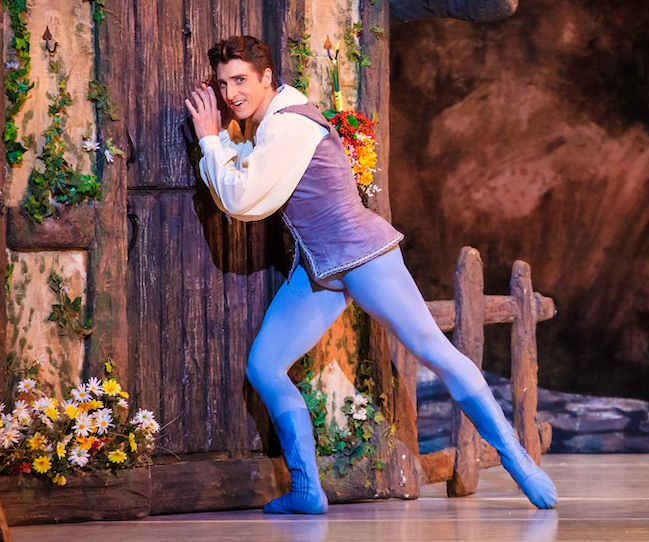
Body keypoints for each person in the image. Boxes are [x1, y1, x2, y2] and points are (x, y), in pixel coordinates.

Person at [185, 35, 557, 514]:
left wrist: (210, 139)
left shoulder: (288, 126)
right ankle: (305, 488)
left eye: (241, 80)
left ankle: (518, 461)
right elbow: (248, 183)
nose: (231, 92)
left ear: (266, 79)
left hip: (362, 258)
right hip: (320, 268)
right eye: (223, 83)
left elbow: (241, 200)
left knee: (432, 349)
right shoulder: (271, 123)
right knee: (264, 366)